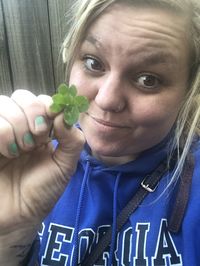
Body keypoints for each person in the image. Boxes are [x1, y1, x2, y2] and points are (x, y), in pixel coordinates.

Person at [0, 0, 200, 265]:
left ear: (189, 91)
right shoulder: (29, 160)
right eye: (93, 62)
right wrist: (10, 236)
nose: (106, 100)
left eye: (148, 79)